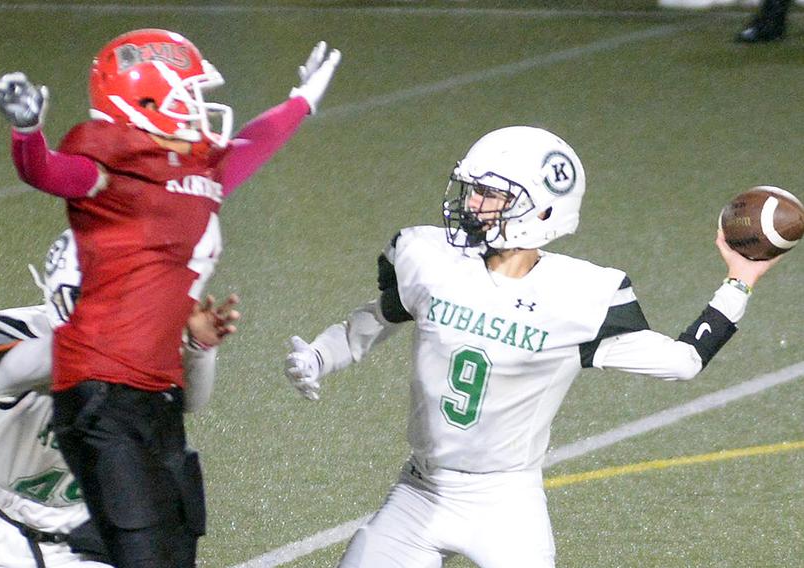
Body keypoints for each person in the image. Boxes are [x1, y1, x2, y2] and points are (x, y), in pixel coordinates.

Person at [284, 126, 781, 567]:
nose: (472, 204)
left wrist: (738, 282)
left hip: (505, 504)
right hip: (420, 489)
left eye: (491, 195)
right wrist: (322, 354)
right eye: (474, 189)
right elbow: (382, 315)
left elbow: (683, 362)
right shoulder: (429, 258)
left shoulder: (579, 297)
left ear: (544, 209)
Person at [0, 29, 339, 567]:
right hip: (101, 391)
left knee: (174, 553)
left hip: (156, 392)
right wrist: (28, 130)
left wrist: (300, 103)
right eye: (183, 95)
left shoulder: (191, 170)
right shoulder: (108, 164)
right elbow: (49, 171)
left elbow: (249, 148)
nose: (196, 107)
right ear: (140, 102)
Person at [0, 230, 239, 568]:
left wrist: (197, 348)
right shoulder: (16, 333)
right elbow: (24, 368)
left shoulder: (135, 340)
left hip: (85, 538)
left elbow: (190, 402)